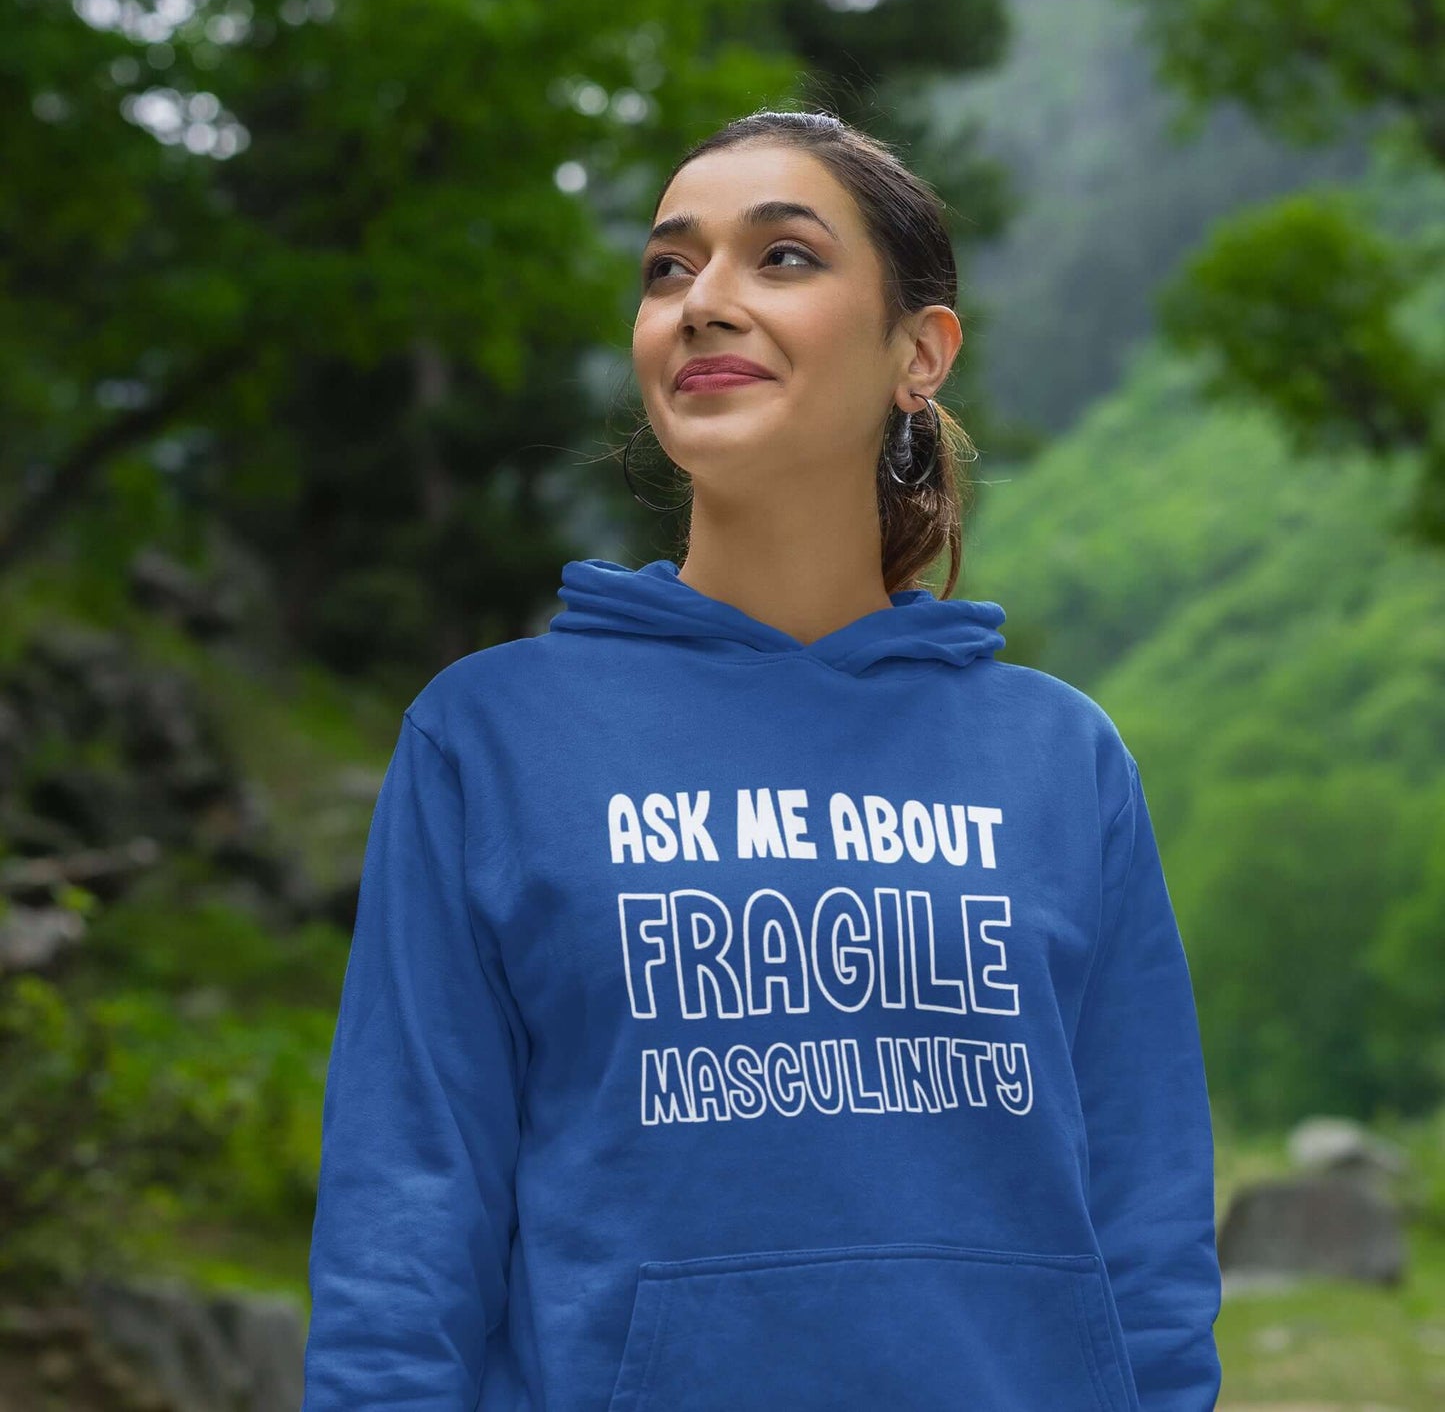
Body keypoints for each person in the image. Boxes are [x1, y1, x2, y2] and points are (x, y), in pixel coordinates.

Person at [301, 109, 1223, 1411]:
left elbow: (1146, 1232)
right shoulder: (491, 736)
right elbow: (405, 1227)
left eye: (780, 257)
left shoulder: (1058, 756)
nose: (702, 302)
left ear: (920, 351)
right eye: (668, 269)